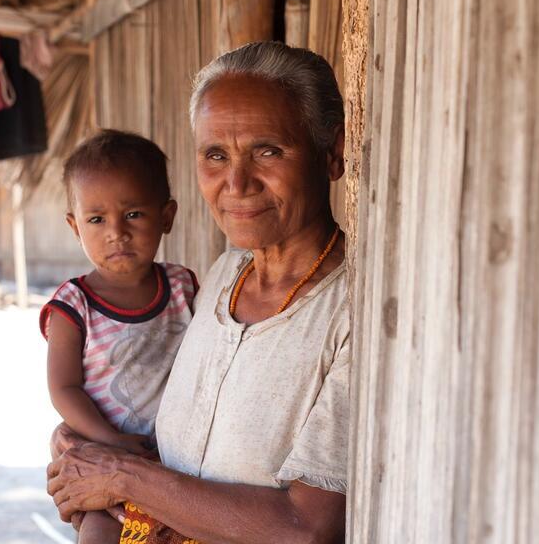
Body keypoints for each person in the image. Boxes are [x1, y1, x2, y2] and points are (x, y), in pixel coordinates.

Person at [46, 41, 350, 543]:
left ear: (332, 153)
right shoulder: (223, 277)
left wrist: (120, 477)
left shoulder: (350, 313)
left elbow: (305, 530)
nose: (236, 181)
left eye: (267, 150)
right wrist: (82, 452)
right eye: (215, 155)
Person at [40, 130, 199, 542]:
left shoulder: (183, 287)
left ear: (166, 216)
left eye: (133, 215)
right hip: (104, 457)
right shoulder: (74, 306)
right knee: (99, 531)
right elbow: (63, 388)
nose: (116, 232)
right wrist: (111, 441)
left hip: (179, 464)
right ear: (75, 227)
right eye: (96, 219)